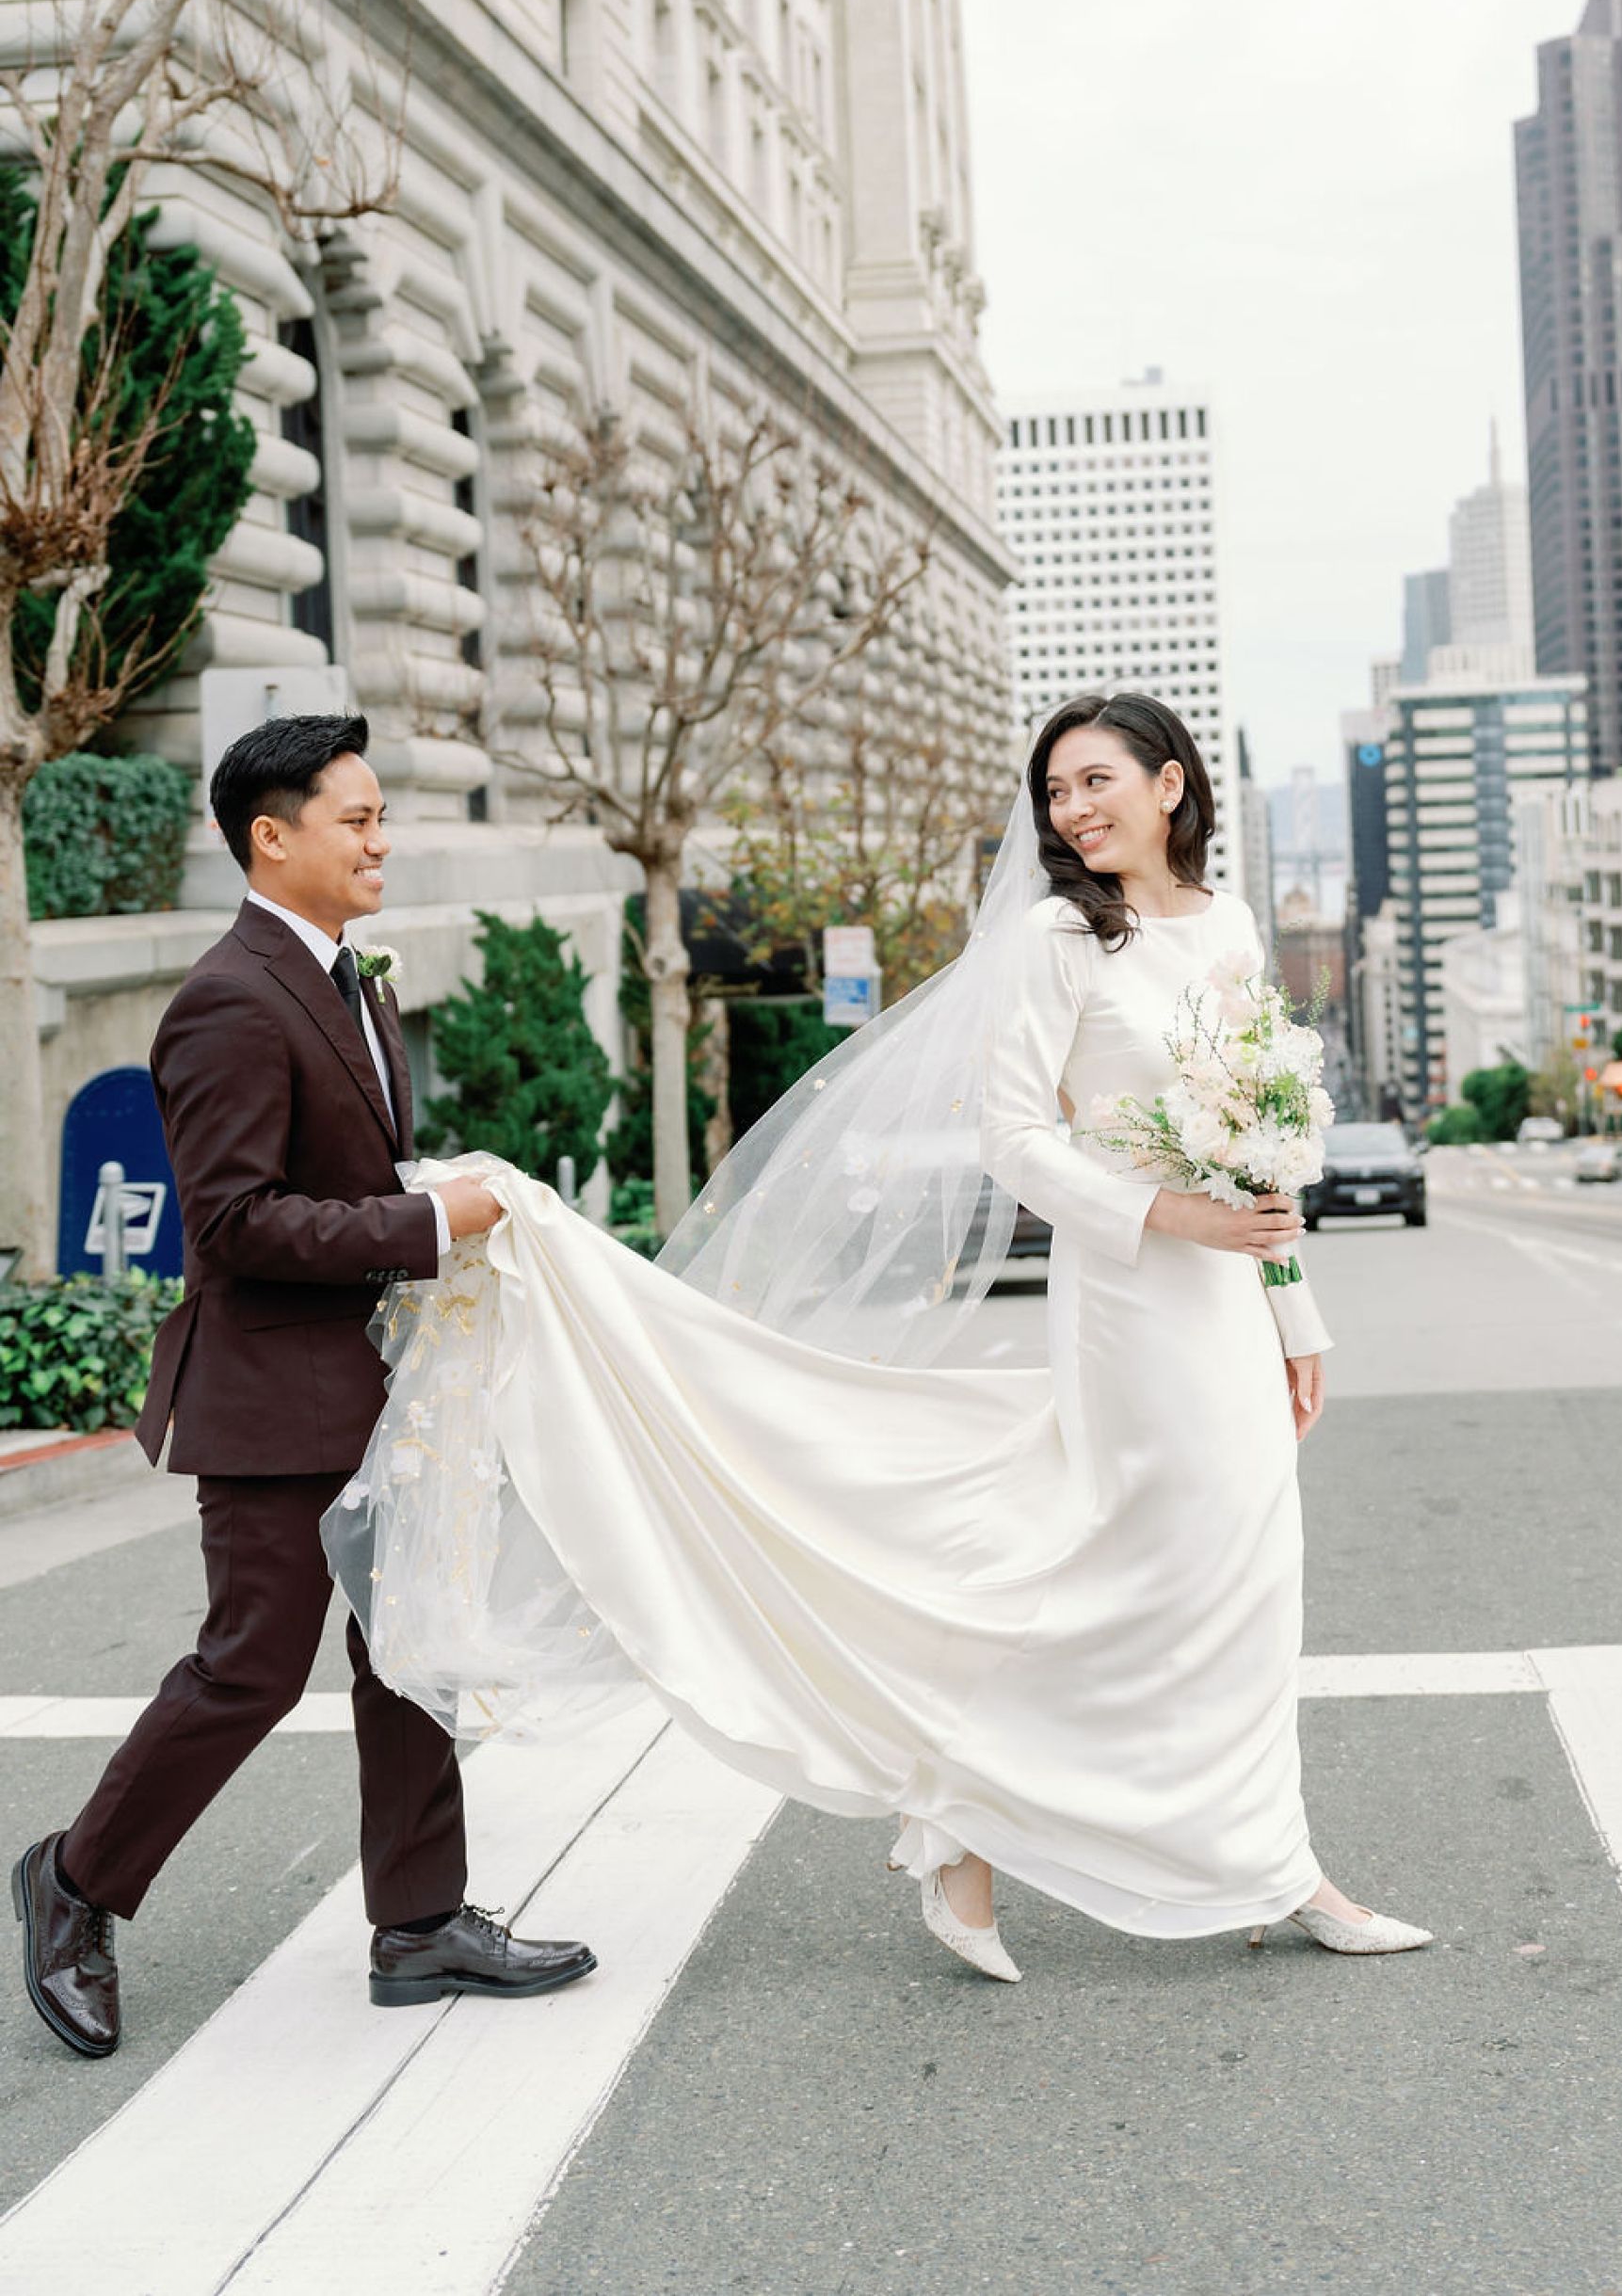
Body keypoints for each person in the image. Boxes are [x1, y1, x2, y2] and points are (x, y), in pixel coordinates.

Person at [327, 693, 1432, 1984]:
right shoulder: (1059, 936)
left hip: (1229, 1302)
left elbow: (1263, 1154)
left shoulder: (1232, 927)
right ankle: (971, 1813)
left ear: (1172, 784)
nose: (1073, 810)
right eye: (1057, 792)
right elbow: (1016, 1138)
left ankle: (1263, 1861)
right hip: (1133, 1296)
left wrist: (1295, 1312)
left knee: (1246, 1582)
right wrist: (1171, 1214)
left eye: (1096, 782)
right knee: (1134, 1580)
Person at [12, 714, 595, 2062]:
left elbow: (337, 1180)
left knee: (411, 1655)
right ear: (272, 838)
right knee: (251, 1668)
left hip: (381, 1387)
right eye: (359, 819)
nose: (383, 839)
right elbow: (233, 1225)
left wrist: (435, 1199)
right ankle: (77, 1884)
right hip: (273, 1395)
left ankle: (420, 1923)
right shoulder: (225, 999)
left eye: (383, 816)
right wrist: (432, 1225)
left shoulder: (355, 983)